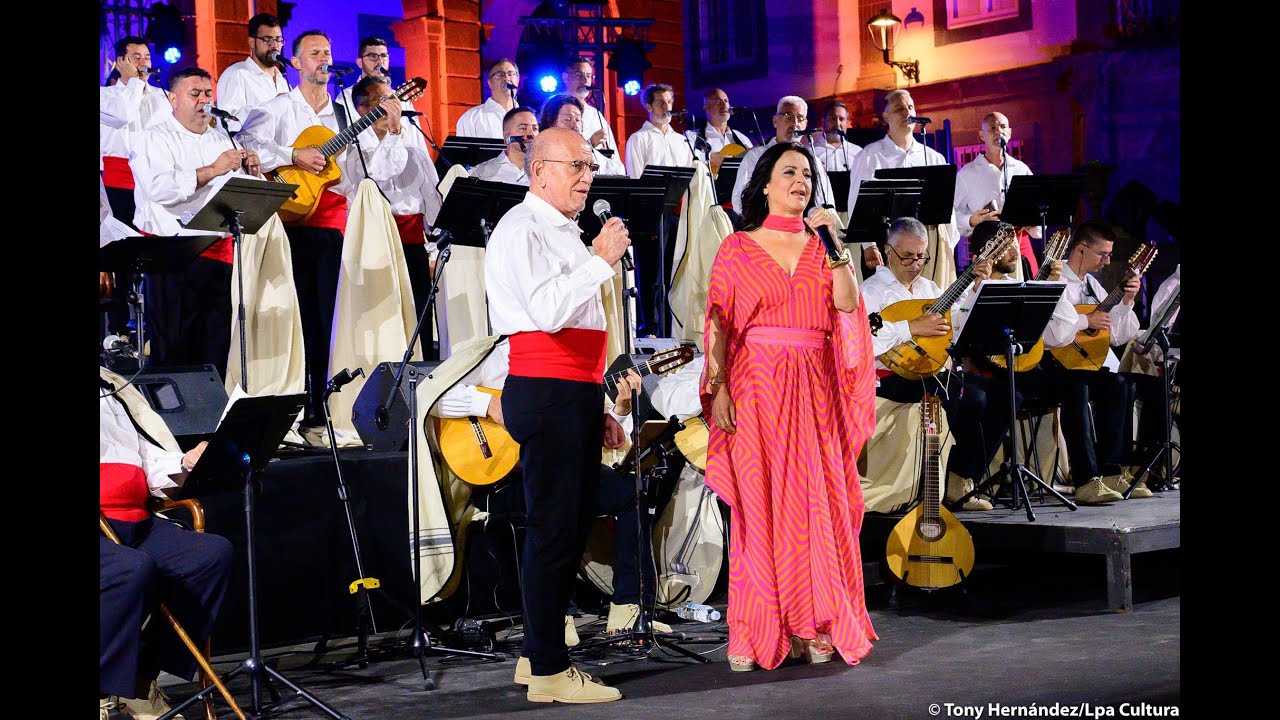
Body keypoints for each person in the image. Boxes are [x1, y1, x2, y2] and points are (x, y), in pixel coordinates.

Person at [702, 142, 877, 671]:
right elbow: (718, 324)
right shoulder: (737, 246)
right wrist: (721, 388)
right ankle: (759, 630)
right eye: (789, 172)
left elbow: (847, 305)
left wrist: (837, 243)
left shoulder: (824, 245)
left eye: (807, 173)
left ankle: (817, 621)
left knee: (813, 506)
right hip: (755, 387)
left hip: (814, 386)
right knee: (761, 509)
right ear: (765, 185)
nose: (800, 180)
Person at [482, 126, 632, 703]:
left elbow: (582, 328)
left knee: (564, 527)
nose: (586, 176)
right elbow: (547, 312)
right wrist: (598, 261)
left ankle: (534, 656)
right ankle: (549, 668)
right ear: (540, 168)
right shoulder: (522, 228)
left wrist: (595, 404)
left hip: (569, 389)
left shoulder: (561, 230)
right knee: (555, 530)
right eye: (576, 165)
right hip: (544, 386)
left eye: (590, 166)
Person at [424, 338, 667, 678]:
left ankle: (627, 609)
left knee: (630, 492)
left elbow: (581, 426)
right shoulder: (492, 352)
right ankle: (557, 618)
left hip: (558, 466)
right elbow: (431, 395)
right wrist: (489, 406)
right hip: (501, 479)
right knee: (553, 509)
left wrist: (614, 416)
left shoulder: (577, 358)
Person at [100, 370, 234, 720]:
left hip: (136, 521)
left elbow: (143, 456)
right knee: (130, 570)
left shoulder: (113, 390)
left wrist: (184, 461)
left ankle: (140, 679)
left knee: (209, 556)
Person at [860, 218, 1014, 512]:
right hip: (890, 379)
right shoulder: (870, 292)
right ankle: (938, 485)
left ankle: (961, 476)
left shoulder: (930, 288)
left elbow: (961, 326)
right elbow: (864, 339)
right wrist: (911, 327)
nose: (915, 264)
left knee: (1005, 394)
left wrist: (975, 288)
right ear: (888, 251)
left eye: (922, 256)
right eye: (907, 256)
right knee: (970, 397)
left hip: (931, 373)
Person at [238, 30, 349, 429]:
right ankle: (298, 400)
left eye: (328, 51)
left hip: (336, 223)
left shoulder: (343, 114)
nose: (323, 58)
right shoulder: (278, 107)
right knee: (302, 315)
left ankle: (326, 401)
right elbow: (246, 142)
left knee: (332, 316)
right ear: (297, 62)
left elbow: (353, 172)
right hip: (295, 219)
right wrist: (292, 155)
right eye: (314, 53)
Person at [131, 66, 263, 380]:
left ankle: (211, 420)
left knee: (215, 343)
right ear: (173, 99)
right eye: (195, 94)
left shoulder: (221, 139)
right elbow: (160, 189)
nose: (204, 100)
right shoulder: (153, 138)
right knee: (174, 344)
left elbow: (234, 196)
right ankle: (174, 424)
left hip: (218, 252)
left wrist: (252, 173)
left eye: (207, 93)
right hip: (172, 253)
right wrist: (213, 169)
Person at [1040, 220, 1146, 504]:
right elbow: (1053, 335)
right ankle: (1086, 479)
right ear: (1082, 250)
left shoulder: (1092, 285)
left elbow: (1118, 337)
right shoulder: (1055, 278)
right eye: (1103, 254)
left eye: (1110, 254)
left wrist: (1126, 301)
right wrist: (1086, 320)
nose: (1107, 261)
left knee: (1120, 384)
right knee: (1076, 385)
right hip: (1049, 366)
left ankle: (1112, 472)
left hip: (1081, 366)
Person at [339, 76, 443, 346]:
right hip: (375, 249)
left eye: (393, 100)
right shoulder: (354, 153)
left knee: (420, 318)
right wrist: (395, 131)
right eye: (384, 102)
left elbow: (432, 205)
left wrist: (434, 250)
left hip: (413, 247)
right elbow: (382, 171)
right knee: (385, 324)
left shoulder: (416, 153)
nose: (392, 107)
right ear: (364, 110)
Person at [846, 89, 949, 273]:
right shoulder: (870, 155)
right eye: (899, 108)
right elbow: (855, 201)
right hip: (886, 240)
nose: (907, 113)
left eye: (910, 107)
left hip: (926, 244)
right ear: (886, 116)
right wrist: (868, 245)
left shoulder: (934, 158)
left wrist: (947, 244)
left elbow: (948, 207)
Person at [952, 112, 1039, 275]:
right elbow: (950, 214)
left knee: (1031, 287)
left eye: (1003, 127)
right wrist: (970, 220)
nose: (998, 131)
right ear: (981, 135)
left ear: (1010, 133)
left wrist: (1032, 219)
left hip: (1020, 240)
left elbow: (1036, 206)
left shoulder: (1021, 169)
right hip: (988, 245)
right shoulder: (967, 174)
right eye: (992, 127)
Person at [100, 35, 172, 225]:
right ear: (121, 61)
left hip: (155, 178)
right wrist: (134, 82)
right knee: (122, 241)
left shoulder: (163, 97)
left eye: (147, 57)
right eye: (136, 57)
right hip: (118, 180)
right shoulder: (104, 95)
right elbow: (124, 115)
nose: (143, 62)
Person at [730, 95, 836, 215]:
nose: (795, 124)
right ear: (775, 121)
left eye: (800, 118)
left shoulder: (812, 160)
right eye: (788, 117)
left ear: (805, 124)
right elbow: (740, 199)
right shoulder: (756, 156)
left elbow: (825, 201)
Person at [335, 36, 432, 157]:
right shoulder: (346, 97)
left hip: (402, 165)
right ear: (360, 62)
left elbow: (415, 139)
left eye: (384, 56)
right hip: (363, 165)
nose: (380, 61)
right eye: (372, 56)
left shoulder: (400, 97)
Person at [213, 13, 290, 134]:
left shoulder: (282, 80)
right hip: (251, 151)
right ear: (251, 42)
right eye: (267, 39)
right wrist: (271, 107)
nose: (274, 45)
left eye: (278, 39)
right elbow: (229, 124)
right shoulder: (237, 74)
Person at [539, 93, 625, 176]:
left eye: (578, 120)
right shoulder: (539, 152)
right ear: (550, 123)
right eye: (568, 119)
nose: (575, 125)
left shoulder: (592, 154)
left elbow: (618, 172)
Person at [624, 83, 694, 178]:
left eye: (669, 102)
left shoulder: (682, 140)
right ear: (649, 107)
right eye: (660, 103)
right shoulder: (638, 139)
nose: (666, 107)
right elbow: (635, 178)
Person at [561, 57, 621, 161]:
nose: (585, 80)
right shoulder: (555, 109)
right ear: (565, 78)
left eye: (588, 76)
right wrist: (590, 144)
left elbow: (614, 158)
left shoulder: (595, 114)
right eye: (579, 75)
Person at [470, 106, 539, 184]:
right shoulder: (480, 173)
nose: (532, 134)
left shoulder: (546, 170)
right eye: (523, 128)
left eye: (535, 129)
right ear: (506, 136)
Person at [685, 88, 753, 165]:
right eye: (717, 101)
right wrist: (711, 158)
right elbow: (685, 159)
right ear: (706, 107)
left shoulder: (742, 139)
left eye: (726, 101)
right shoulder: (692, 137)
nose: (724, 105)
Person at [456, 58, 521, 139]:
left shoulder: (528, 118)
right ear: (489, 83)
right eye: (500, 75)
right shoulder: (471, 118)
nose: (507, 78)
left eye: (511, 74)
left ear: (518, 80)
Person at [810, 101, 862, 172]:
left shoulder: (858, 152)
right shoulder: (810, 151)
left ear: (846, 123)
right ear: (823, 121)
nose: (837, 124)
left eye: (842, 119)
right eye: (833, 119)